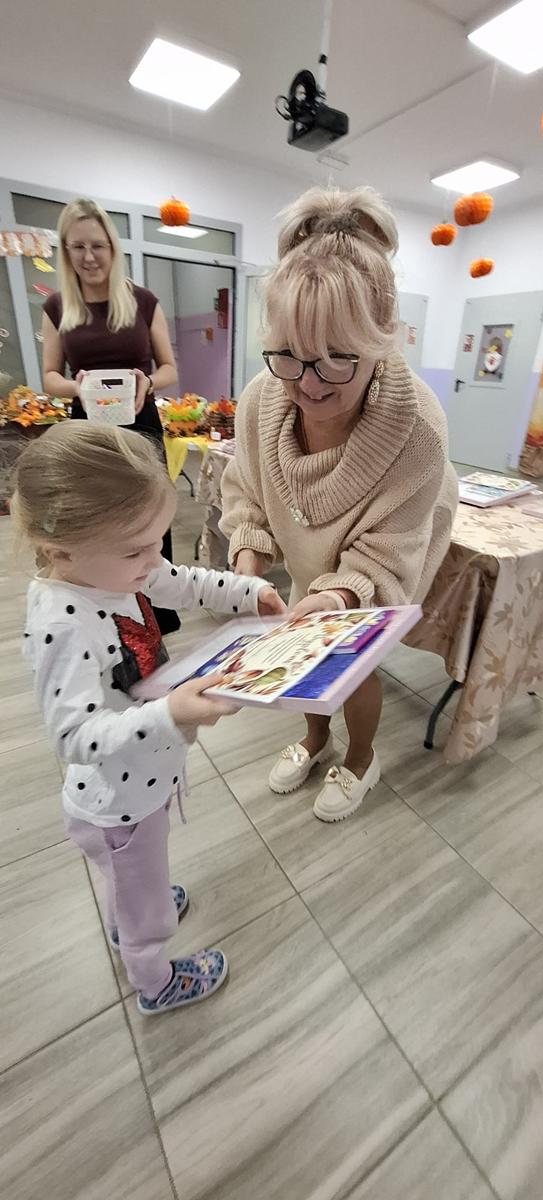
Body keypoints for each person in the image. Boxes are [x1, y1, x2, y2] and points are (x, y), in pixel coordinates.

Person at [13, 422, 285, 1015]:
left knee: (129, 883)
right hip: (120, 805)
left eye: (156, 541)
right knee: (146, 904)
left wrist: (247, 592)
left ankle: (127, 914)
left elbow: (181, 581)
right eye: (137, 549)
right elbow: (72, 736)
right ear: (61, 549)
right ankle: (154, 978)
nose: (153, 559)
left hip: (138, 784)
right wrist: (169, 714)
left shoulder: (113, 569)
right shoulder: (64, 622)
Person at [221, 186, 459, 823]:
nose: (307, 383)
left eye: (334, 361)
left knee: (352, 662)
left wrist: (335, 601)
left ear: (381, 342)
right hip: (310, 552)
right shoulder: (262, 397)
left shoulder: (418, 430)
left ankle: (360, 758)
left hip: (383, 562)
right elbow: (247, 486)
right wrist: (247, 561)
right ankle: (314, 738)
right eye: (289, 356)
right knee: (304, 657)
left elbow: (385, 554)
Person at [41, 196, 180, 635]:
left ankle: (156, 614)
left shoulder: (143, 301)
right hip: (88, 432)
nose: (88, 257)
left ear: (113, 248)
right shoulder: (58, 307)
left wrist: (147, 382)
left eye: (97, 246)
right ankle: (106, 613)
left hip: (141, 427)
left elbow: (169, 369)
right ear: (66, 251)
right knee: (96, 520)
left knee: (149, 517)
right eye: (77, 247)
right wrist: (77, 387)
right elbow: (50, 377)